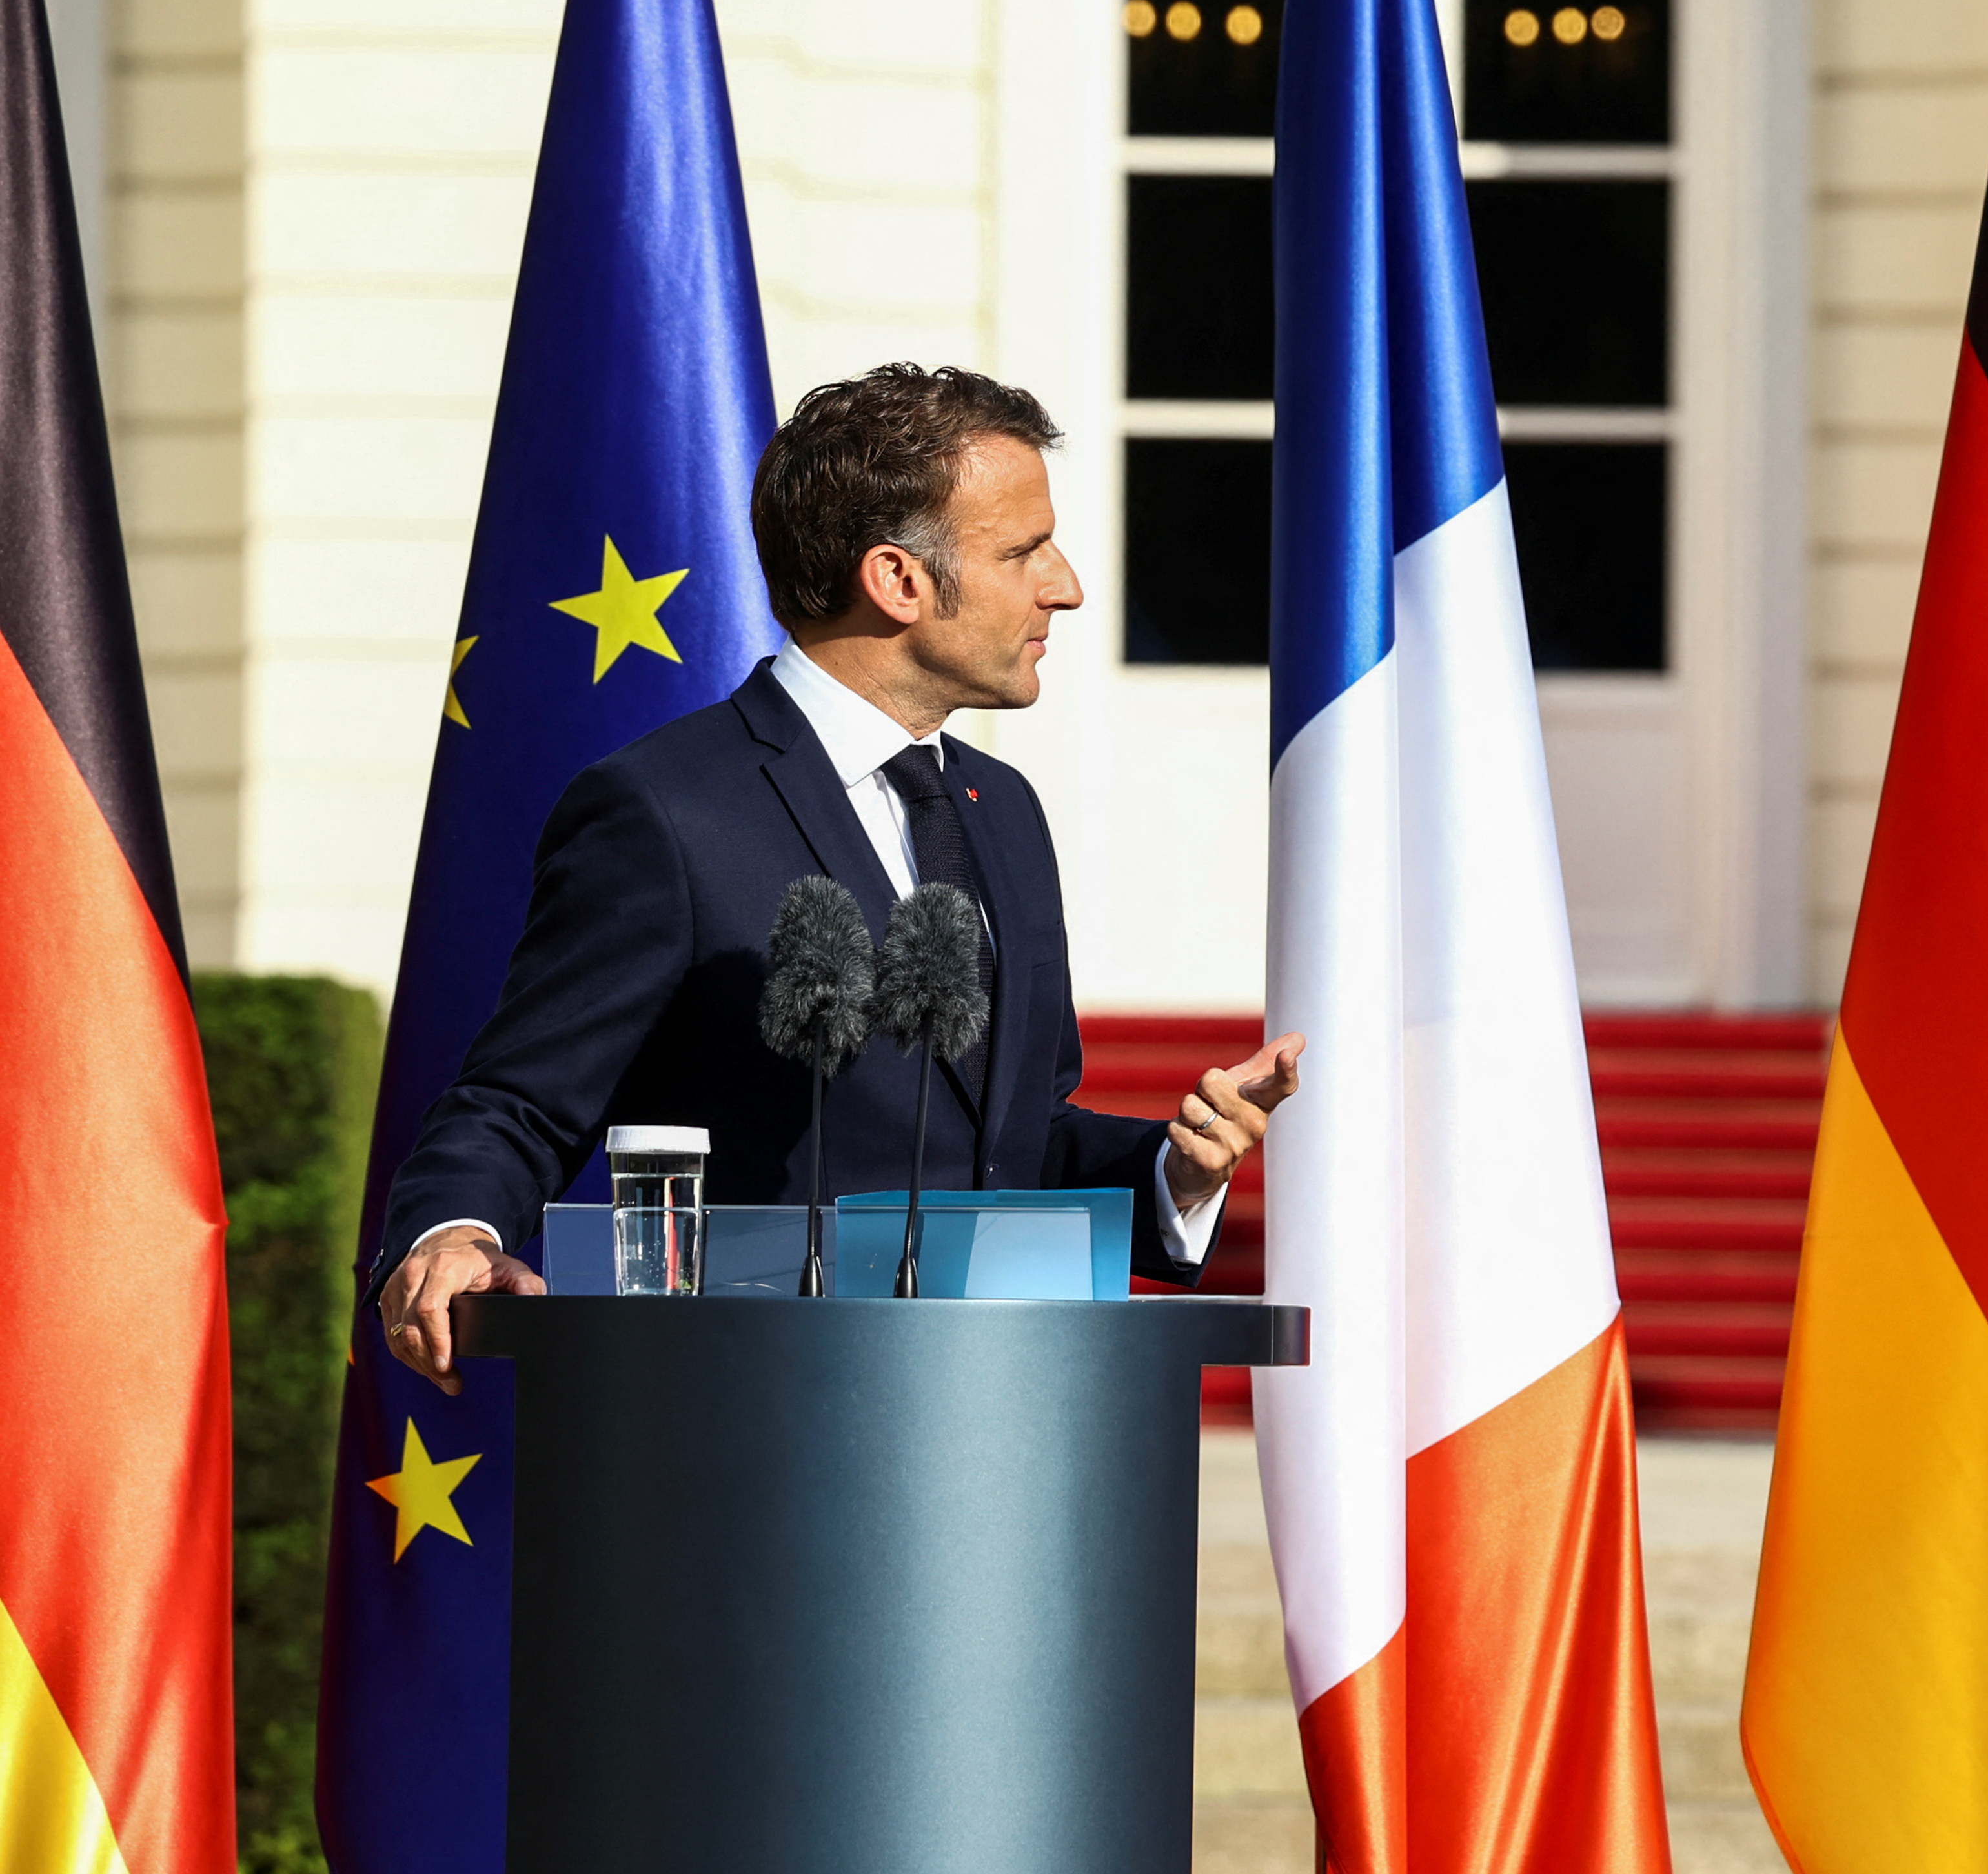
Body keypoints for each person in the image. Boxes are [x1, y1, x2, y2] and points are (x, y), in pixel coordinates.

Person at [373, 365, 1301, 1386]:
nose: (1067, 585)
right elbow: (520, 1100)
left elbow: (1007, 1145)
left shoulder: (1004, 812)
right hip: (757, 1434)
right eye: (1023, 551)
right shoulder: (664, 812)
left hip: (999, 1432)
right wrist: (446, 1235)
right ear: (899, 580)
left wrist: (1176, 1169)